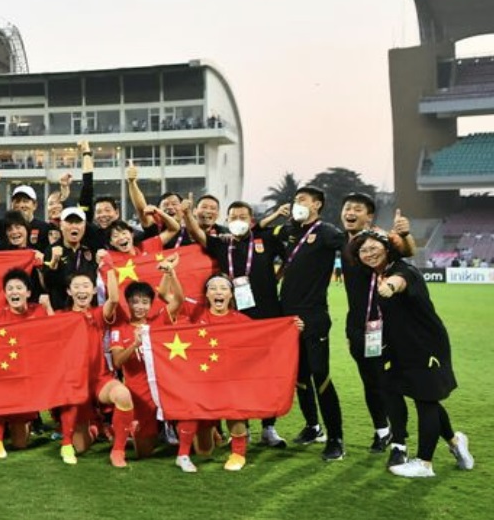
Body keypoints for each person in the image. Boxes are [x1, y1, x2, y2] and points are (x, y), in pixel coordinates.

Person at [351, 231, 474, 478]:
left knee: (425, 400)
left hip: (424, 345)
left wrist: (390, 287)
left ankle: (425, 464)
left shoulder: (403, 270)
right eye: (363, 250)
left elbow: (400, 281)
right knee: (403, 392)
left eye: (374, 248)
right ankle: (455, 441)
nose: (369, 254)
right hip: (397, 347)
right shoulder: (373, 275)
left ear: (387, 249)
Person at [185, 200, 288, 448]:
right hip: (234, 319)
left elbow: (290, 258)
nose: (238, 220)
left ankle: (269, 427)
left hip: (267, 316)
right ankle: (244, 428)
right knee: (239, 374)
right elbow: (197, 234)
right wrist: (186, 213)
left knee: (266, 373)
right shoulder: (221, 243)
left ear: (251, 221)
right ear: (227, 220)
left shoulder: (265, 239)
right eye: (233, 217)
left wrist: (276, 277)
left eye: (243, 216)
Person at [271, 186, 346, 461]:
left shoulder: (326, 232)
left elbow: (351, 246)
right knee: (299, 375)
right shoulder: (290, 231)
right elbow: (264, 236)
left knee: (320, 375)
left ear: (317, 205)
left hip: (313, 316)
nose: (296, 204)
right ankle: (313, 426)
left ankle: (336, 438)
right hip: (286, 316)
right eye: (295, 200)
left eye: (302, 200)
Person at [339, 193, 413, 463]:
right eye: (347, 208)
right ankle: (382, 431)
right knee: (369, 381)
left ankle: (400, 442)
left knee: (388, 384)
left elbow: (407, 251)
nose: (350, 212)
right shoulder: (341, 241)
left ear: (369, 216)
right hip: (358, 327)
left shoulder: (381, 239)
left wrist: (405, 234)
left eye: (357, 209)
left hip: (387, 326)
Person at [106, 254, 184, 467]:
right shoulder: (120, 329)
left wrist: (171, 273)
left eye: (144, 302)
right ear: (128, 303)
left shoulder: (158, 321)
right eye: (134, 302)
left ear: (150, 304)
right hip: (140, 395)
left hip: (167, 389)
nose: (139, 306)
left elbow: (178, 300)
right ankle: (140, 431)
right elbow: (118, 362)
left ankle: (175, 429)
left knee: (200, 445)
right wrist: (135, 344)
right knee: (144, 453)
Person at [0, 269, 53, 458]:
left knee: (20, 444)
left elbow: (56, 333)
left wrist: (49, 307)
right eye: (10, 288)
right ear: (5, 294)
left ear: (28, 293)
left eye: (19, 288)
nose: (14, 292)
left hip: (28, 379)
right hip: (4, 377)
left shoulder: (39, 311)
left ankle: (15, 425)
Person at [63, 268, 125, 465]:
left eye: (86, 286)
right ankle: (96, 427)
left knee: (123, 395)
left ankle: (118, 450)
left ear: (93, 291)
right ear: (69, 291)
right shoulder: (60, 318)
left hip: (99, 378)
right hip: (74, 383)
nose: (81, 290)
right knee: (81, 447)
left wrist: (109, 269)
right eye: (76, 286)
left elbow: (113, 299)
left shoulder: (97, 314)